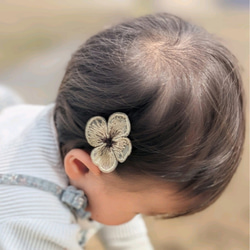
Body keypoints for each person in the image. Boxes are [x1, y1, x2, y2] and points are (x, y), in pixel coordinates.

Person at [0, 12, 245, 250]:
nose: (136, 219)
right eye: (138, 211)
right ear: (82, 166)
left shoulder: (82, 142)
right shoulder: (32, 225)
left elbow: (117, 207)